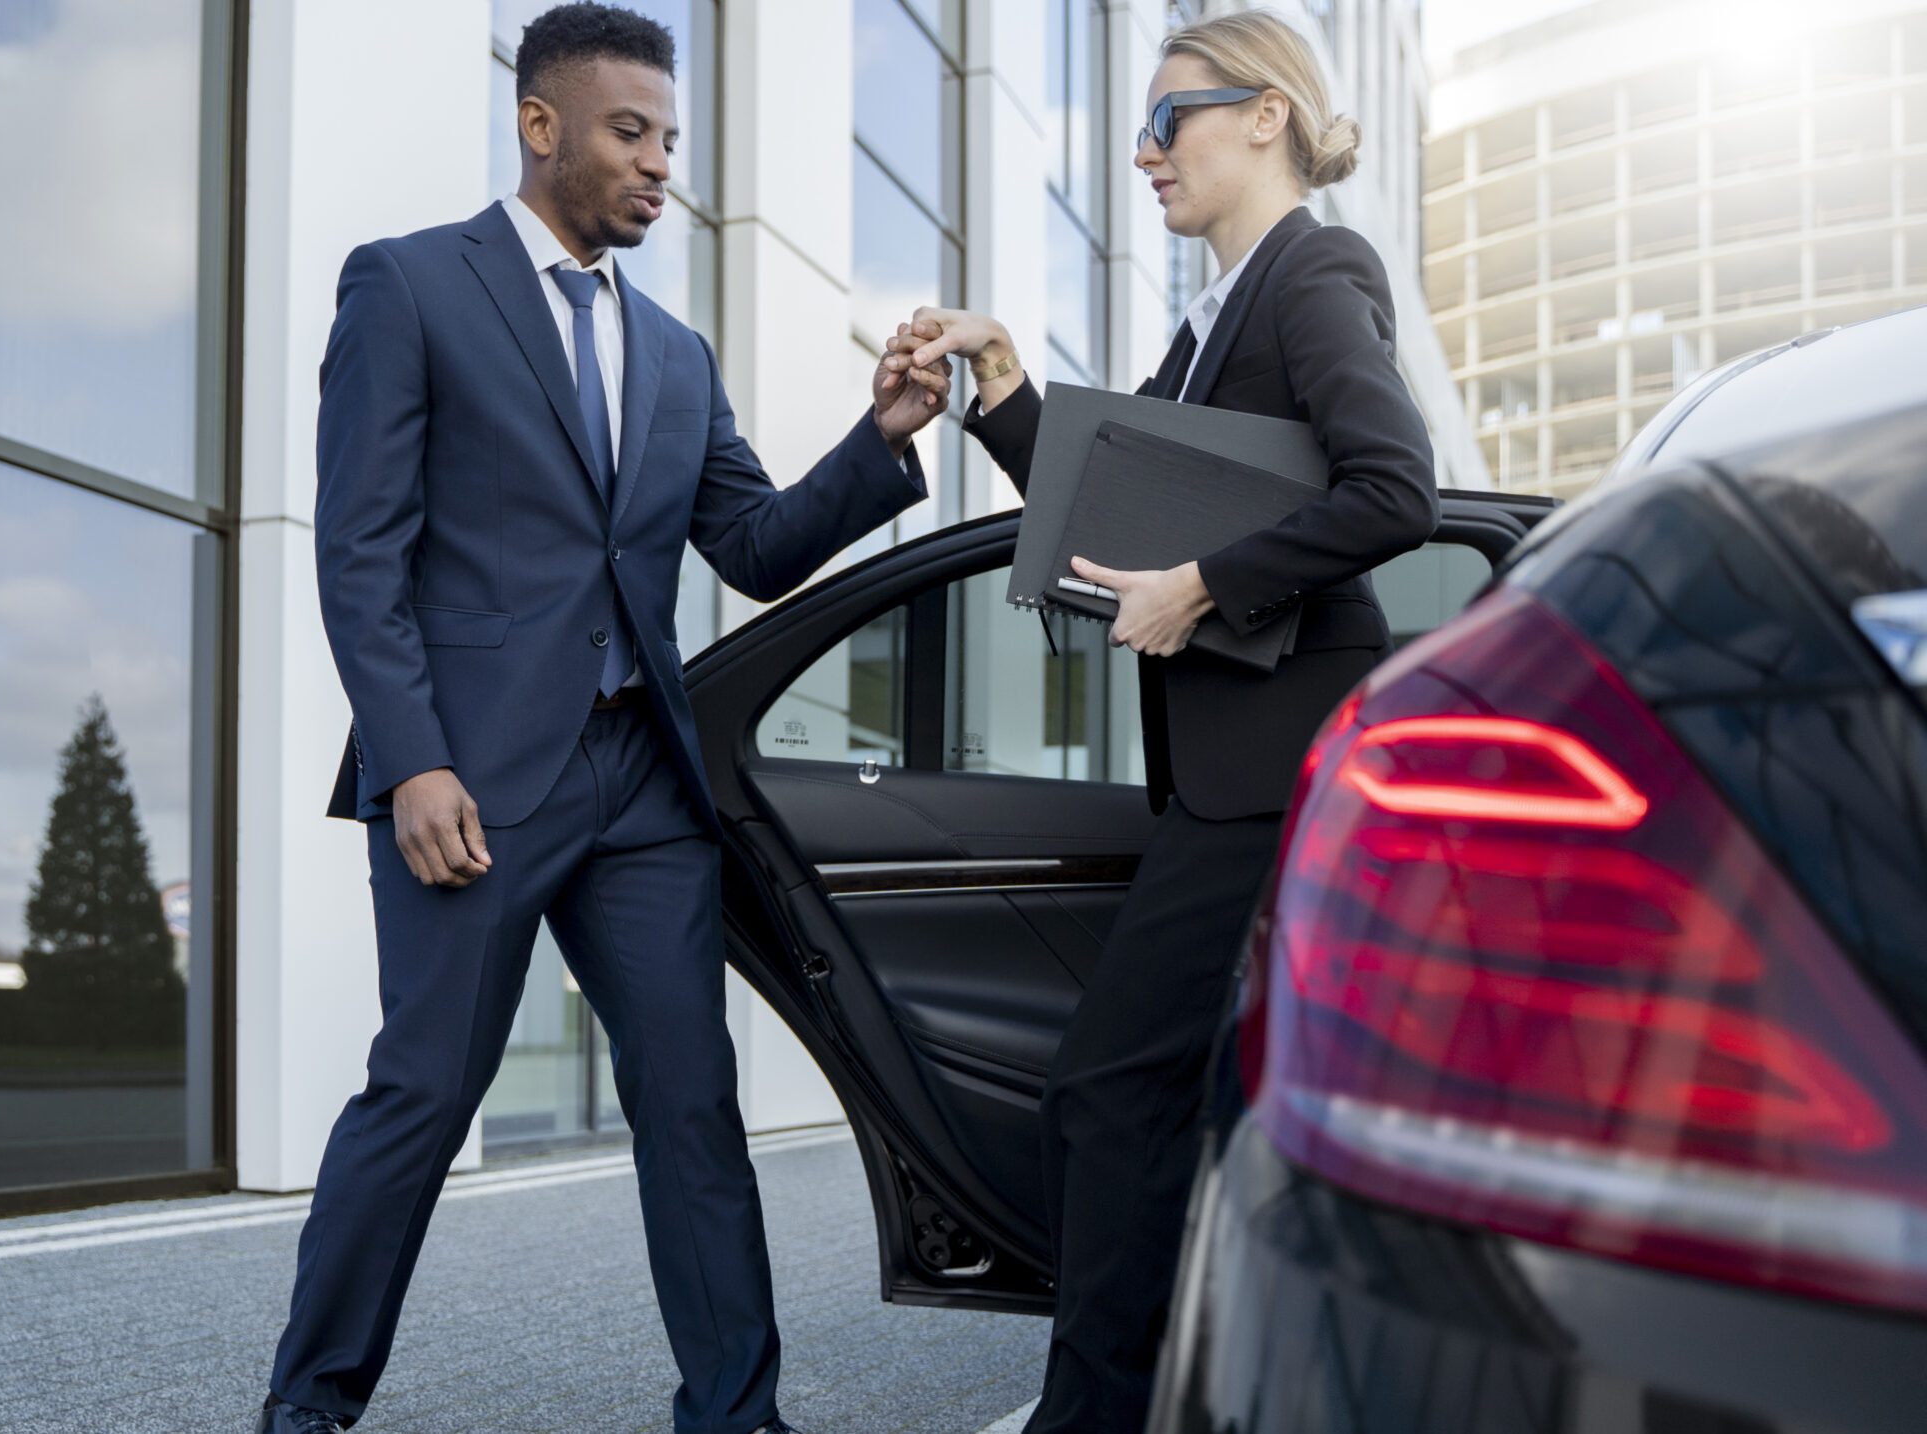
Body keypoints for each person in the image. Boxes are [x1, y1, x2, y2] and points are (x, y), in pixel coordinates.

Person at [256, 5, 950, 1432]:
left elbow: (752, 543)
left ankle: (736, 1414)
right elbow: (359, 553)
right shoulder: (409, 286)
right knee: (424, 1098)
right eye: (632, 134)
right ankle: (307, 1408)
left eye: (672, 142)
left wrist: (878, 437)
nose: (659, 167)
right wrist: (413, 760)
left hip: (642, 782)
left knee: (693, 1104)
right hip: (473, 778)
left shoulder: (678, 355)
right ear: (541, 125)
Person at [887, 12, 1438, 1433]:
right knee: (1188, 1105)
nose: (1144, 152)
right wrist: (1006, 392)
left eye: (1169, 121)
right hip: (1222, 779)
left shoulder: (1316, 269)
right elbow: (1110, 516)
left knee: (1107, 1089)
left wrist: (1204, 585)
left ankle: (1096, 1416)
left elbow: (1396, 488)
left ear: (1266, 119)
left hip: (1278, 771)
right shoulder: (1209, 317)